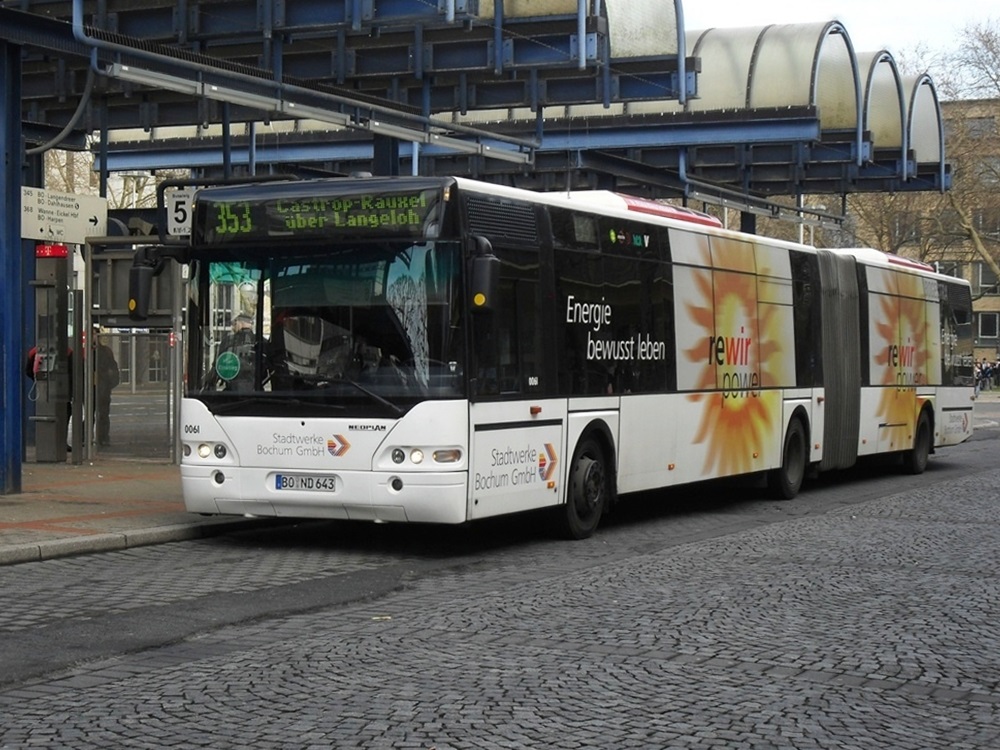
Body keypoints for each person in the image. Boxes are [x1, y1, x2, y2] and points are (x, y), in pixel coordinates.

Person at [93, 336, 120, 446]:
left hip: (102, 388)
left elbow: (112, 370)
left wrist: (108, 384)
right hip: (93, 387)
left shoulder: (105, 352)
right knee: (90, 415)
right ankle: (85, 437)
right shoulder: (85, 351)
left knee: (103, 414)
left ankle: (103, 437)